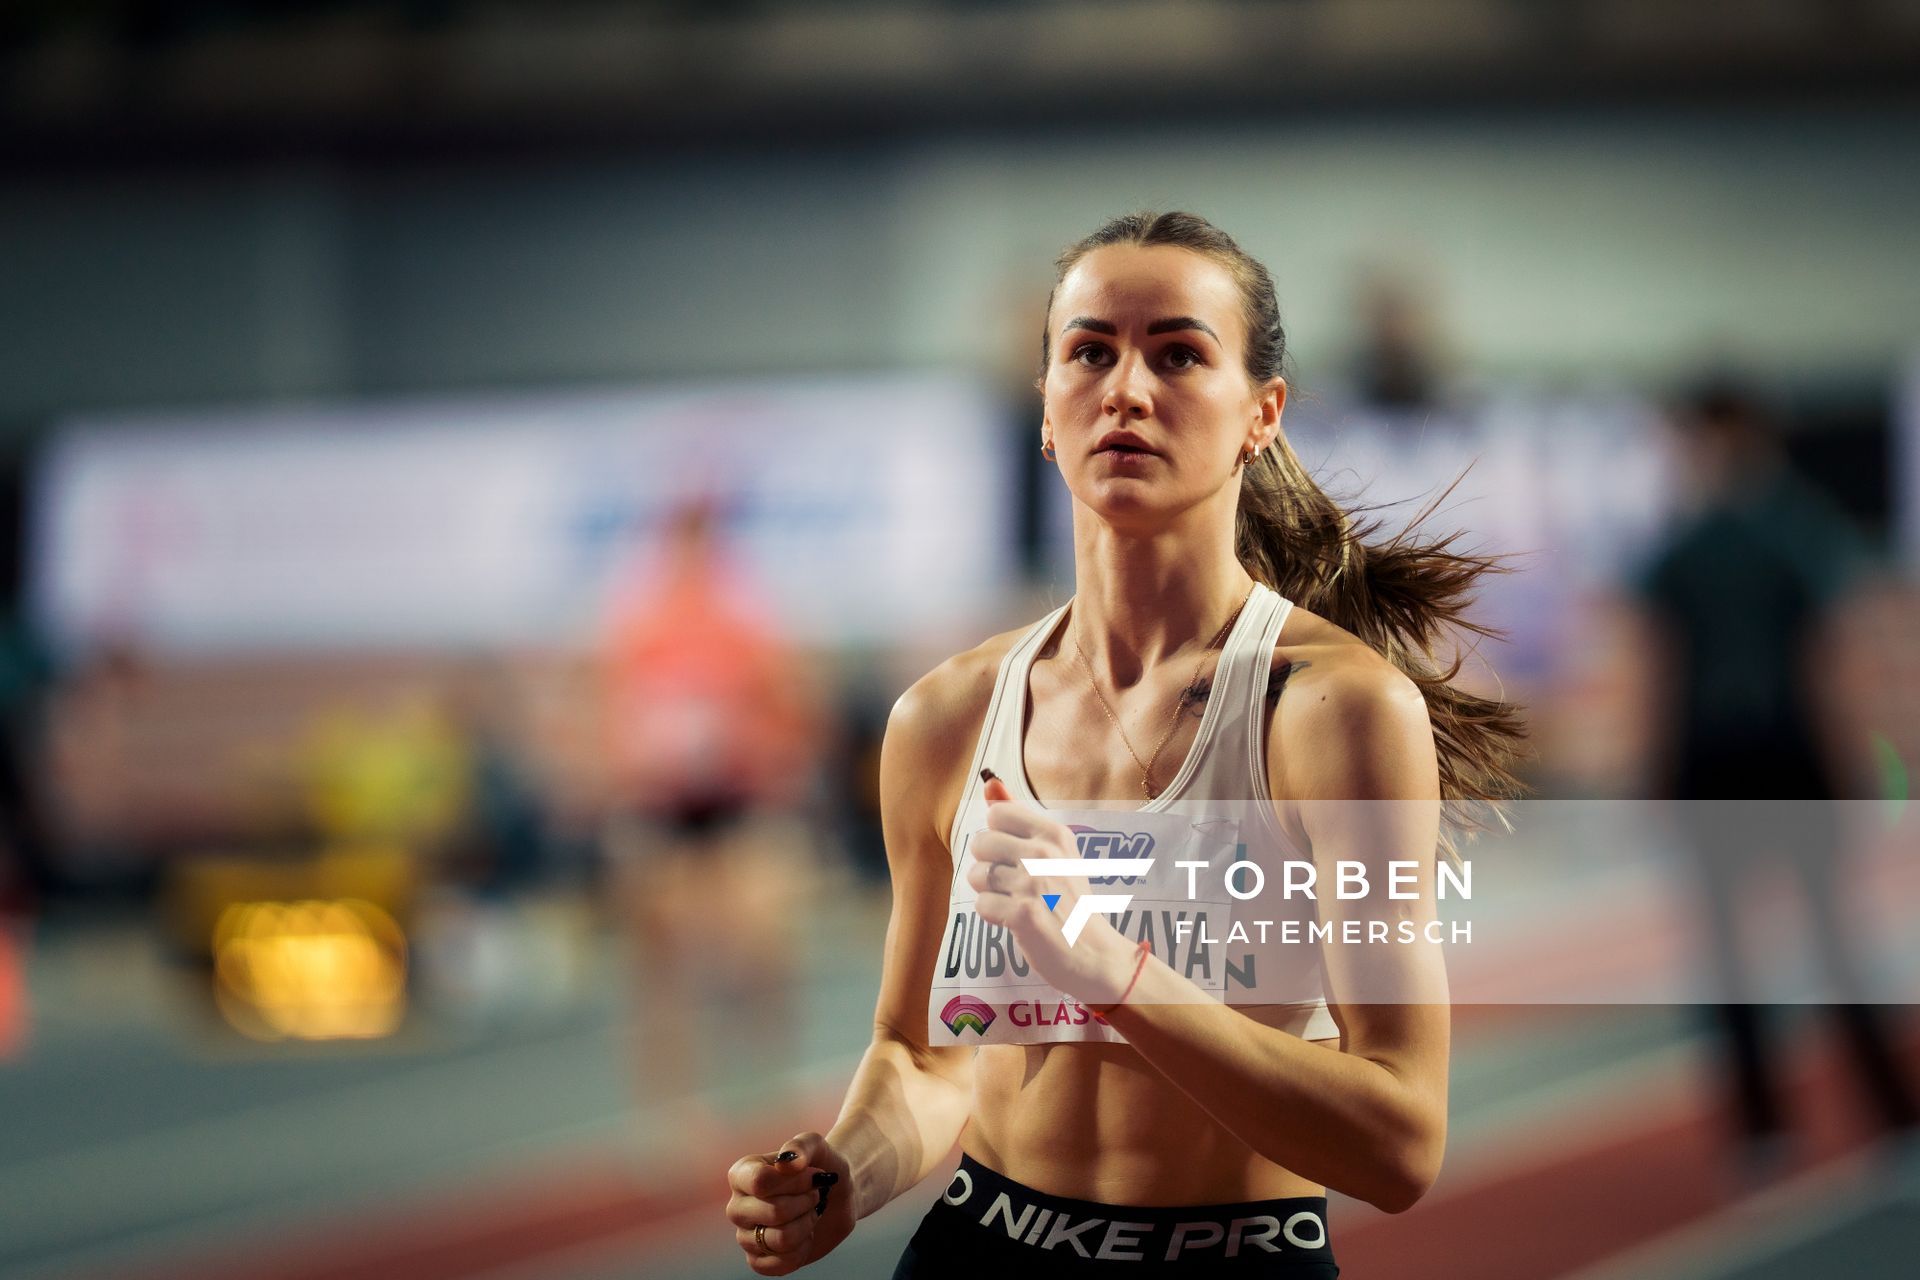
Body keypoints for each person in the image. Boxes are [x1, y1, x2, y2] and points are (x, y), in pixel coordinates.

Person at [724, 211, 1525, 1276]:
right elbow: (924, 1054)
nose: (1128, 389)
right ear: (1046, 412)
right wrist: (846, 1174)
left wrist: (1107, 964)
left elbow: (1399, 1138)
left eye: (1181, 354)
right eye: (1090, 350)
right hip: (981, 1251)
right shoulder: (944, 719)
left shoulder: (1336, 713)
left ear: (1261, 413)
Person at [1635, 383, 1919, 1185]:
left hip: (1770, 761)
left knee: (1818, 941)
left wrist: (1856, 763)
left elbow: (1828, 661)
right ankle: (1783, 1127)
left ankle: (1866, 1117)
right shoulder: (1743, 537)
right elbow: (1665, 667)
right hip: (1742, 764)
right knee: (1754, 950)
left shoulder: (1754, 535)